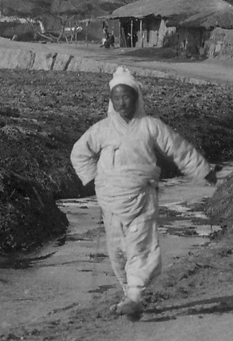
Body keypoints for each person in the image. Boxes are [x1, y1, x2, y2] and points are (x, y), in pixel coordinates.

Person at [70, 66, 217, 321]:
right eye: (116, 98)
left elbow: (178, 149)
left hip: (142, 196)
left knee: (140, 245)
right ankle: (130, 296)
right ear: (111, 101)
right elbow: (79, 153)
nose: (121, 102)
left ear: (136, 97)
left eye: (126, 96)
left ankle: (135, 297)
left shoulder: (150, 126)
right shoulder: (102, 129)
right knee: (117, 251)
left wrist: (203, 170)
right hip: (111, 201)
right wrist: (97, 181)